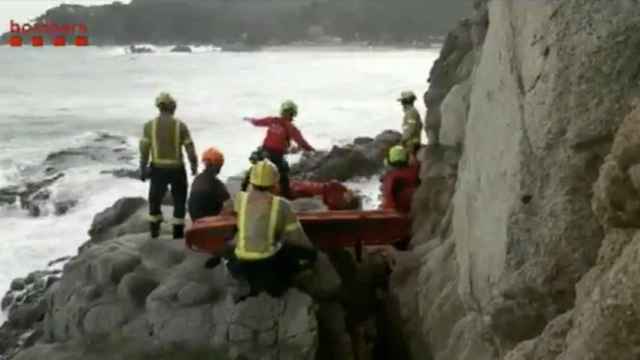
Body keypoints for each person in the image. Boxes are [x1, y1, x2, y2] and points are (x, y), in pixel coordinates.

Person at [225, 160, 318, 301]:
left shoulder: (240, 199)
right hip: (266, 264)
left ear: (252, 182)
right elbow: (297, 237)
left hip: (240, 263)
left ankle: (246, 284)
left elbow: (238, 208)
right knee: (307, 253)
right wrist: (312, 252)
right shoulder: (282, 205)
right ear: (275, 184)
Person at [139, 92, 198, 239]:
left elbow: (144, 151)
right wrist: (193, 165)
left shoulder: (149, 126)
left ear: (159, 107)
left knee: (155, 200)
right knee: (179, 200)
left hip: (158, 170)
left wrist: (142, 169)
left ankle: (154, 233)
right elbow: (190, 148)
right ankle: (177, 235)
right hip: (177, 170)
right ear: (173, 107)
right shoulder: (180, 126)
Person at [243, 100, 315, 198]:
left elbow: (256, 122)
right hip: (276, 155)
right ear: (293, 114)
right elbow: (302, 143)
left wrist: (248, 119)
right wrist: (312, 150)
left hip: (264, 152)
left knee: (253, 170)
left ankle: (243, 190)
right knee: (284, 175)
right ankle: (286, 195)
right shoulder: (290, 128)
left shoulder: (272, 120)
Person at [188, 147, 230, 221]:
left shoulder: (197, 179)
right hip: (209, 221)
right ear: (216, 165)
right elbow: (228, 202)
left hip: (195, 219)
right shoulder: (217, 184)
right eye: (220, 165)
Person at [380, 145, 420, 213]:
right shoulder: (416, 171)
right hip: (416, 209)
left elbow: (389, 204)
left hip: (401, 213)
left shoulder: (391, 178)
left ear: (388, 161)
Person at [397, 91, 424, 159]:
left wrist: (403, 141)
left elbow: (410, 128)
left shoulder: (411, 113)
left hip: (411, 145)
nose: (402, 104)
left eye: (403, 101)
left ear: (406, 101)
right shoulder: (410, 112)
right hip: (411, 143)